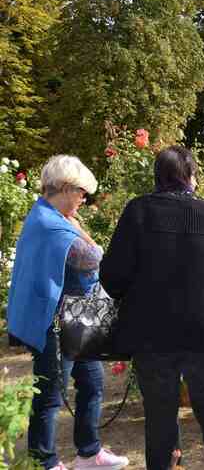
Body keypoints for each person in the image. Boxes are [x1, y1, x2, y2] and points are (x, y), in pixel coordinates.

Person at [99, 146, 204, 470]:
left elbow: (112, 277)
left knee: (160, 413)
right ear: (191, 176)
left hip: (151, 332)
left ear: (157, 176)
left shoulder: (138, 211)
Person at [6, 155, 129, 470]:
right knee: (49, 394)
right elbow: (90, 259)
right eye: (81, 192)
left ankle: (88, 453)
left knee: (91, 382)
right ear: (62, 187)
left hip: (77, 315)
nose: (83, 199)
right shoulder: (51, 223)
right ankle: (44, 461)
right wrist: (91, 240)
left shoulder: (51, 216)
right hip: (55, 323)